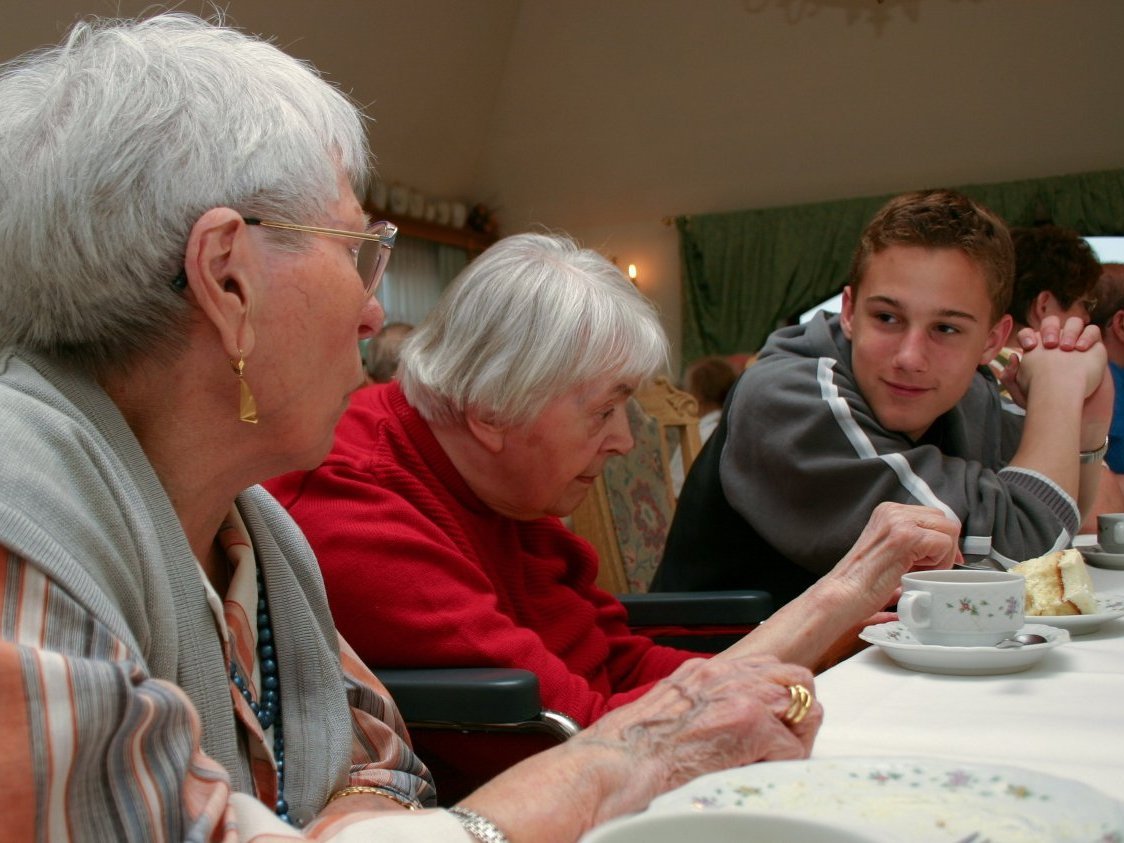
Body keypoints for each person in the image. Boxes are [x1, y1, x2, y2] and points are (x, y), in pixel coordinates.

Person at [0, 14, 842, 842]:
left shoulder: (252, 528)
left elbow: (389, 760)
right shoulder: (22, 528)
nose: (374, 315)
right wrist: (626, 761)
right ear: (227, 280)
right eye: (356, 249)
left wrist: (368, 820)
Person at [265, 231, 962, 728]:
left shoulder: (498, 479)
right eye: (603, 410)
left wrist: (840, 636)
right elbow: (587, 730)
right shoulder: (355, 507)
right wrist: (839, 595)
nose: (625, 440)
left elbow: (615, 665)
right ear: (490, 410)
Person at [652, 189, 1111, 604]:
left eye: (946, 329)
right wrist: (1059, 390)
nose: (911, 357)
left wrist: (1087, 424)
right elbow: (1024, 563)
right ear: (849, 312)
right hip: (730, 670)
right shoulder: (787, 397)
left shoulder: (968, 390)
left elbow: (1062, 521)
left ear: (992, 340)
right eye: (888, 318)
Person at [988, 224, 1101, 398]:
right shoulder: (1060, 381)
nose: (1087, 318)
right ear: (1043, 305)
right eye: (1084, 304)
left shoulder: (970, 366)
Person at [669, 355, 739, 495]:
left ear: (696, 396)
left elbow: (675, 487)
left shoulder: (698, 434)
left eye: (687, 388)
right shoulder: (730, 428)